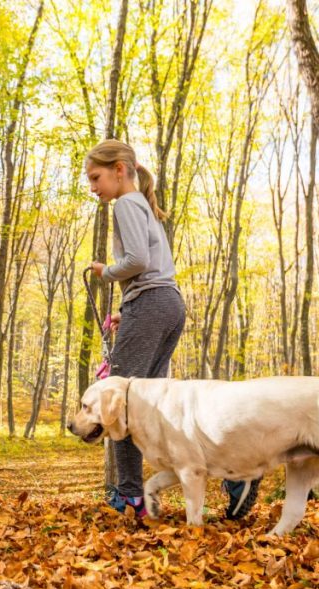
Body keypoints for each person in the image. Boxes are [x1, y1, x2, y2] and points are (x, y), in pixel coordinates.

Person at [85, 139, 260, 521]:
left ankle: (130, 498)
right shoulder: (142, 205)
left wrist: (106, 272)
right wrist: (124, 312)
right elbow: (153, 270)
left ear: (119, 169)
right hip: (166, 304)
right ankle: (236, 471)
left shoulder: (127, 203)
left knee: (119, 404)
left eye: (96, 177)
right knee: (153, 405)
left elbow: (136, 260)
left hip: (151, 305)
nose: (92, 186)